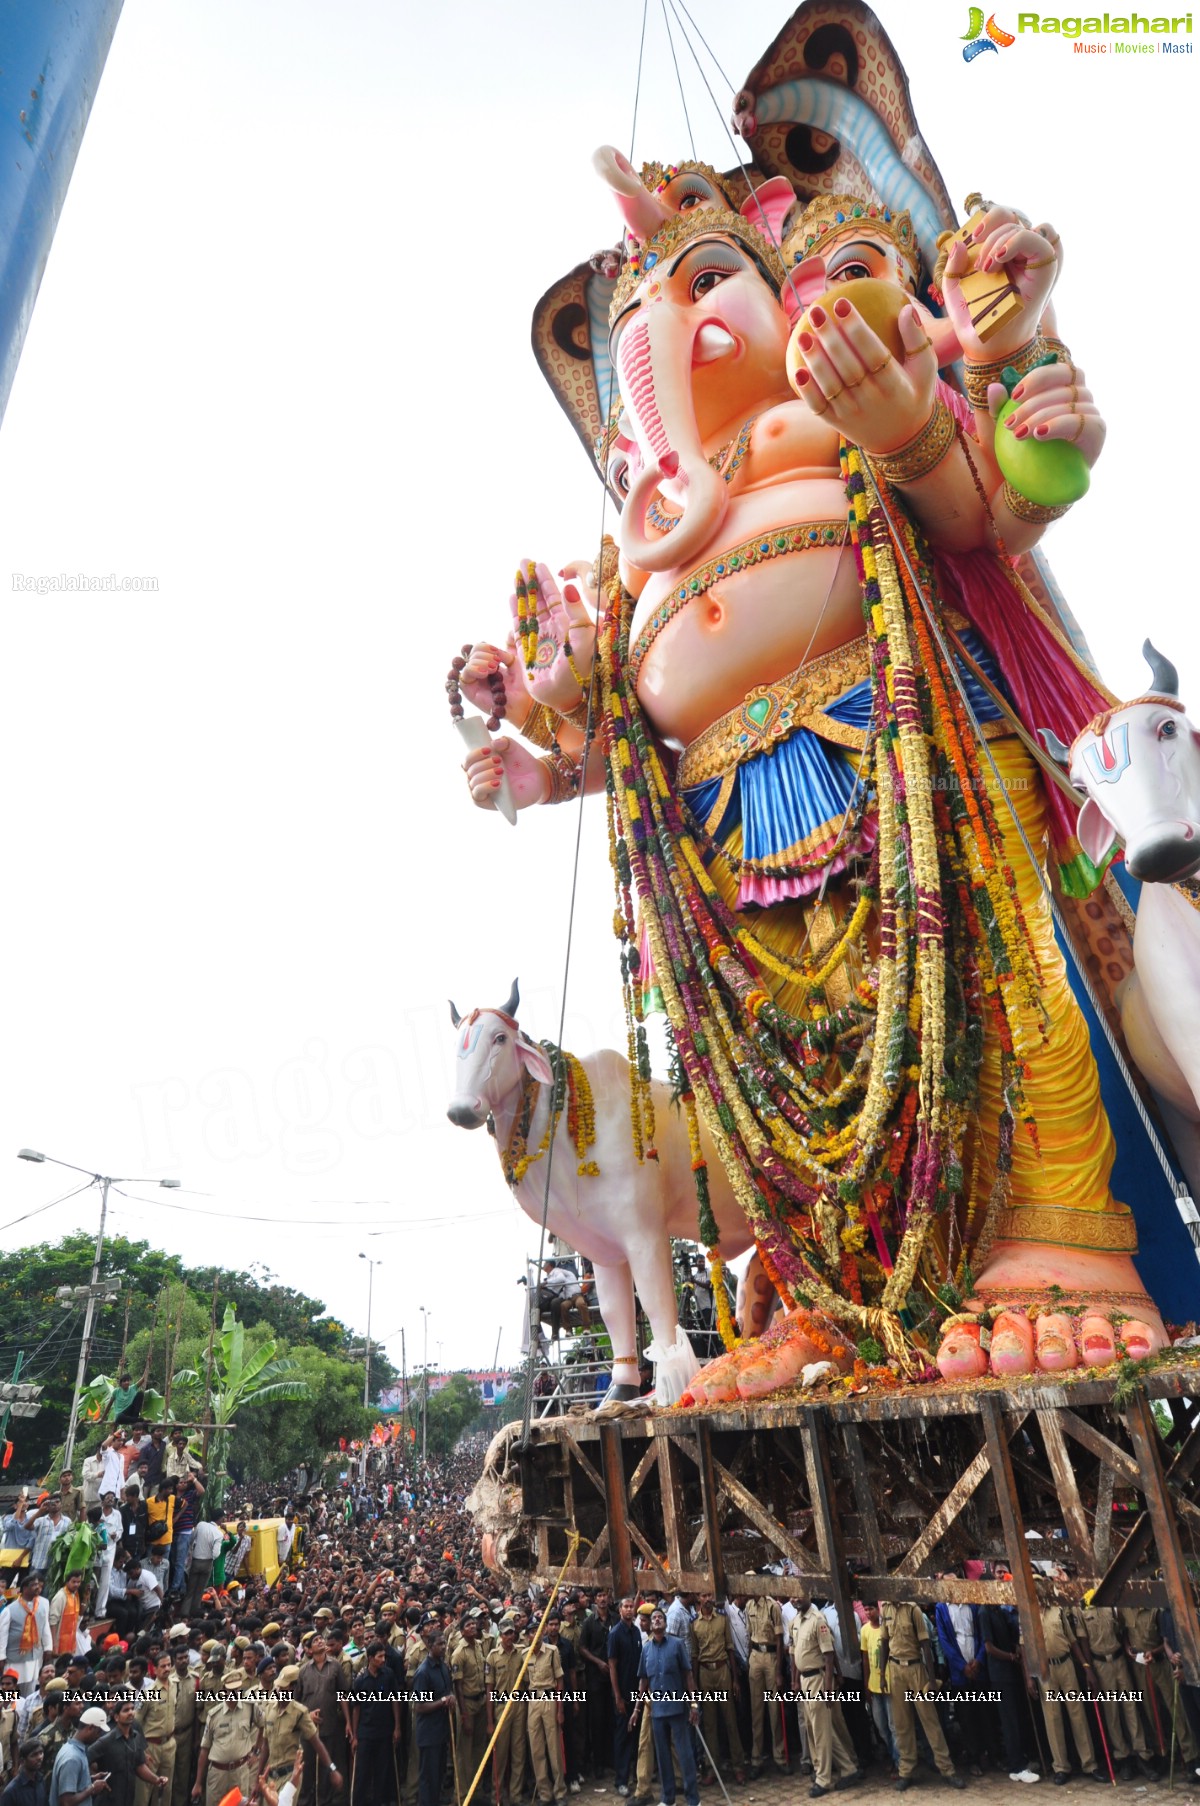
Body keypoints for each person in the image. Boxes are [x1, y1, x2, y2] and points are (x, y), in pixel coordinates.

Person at [879, 1601, 964, 1791]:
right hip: (895, 1670)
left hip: (916, 1668)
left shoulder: (913, 1610)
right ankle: (906, 1771)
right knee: (902, 1724)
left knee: (930, 1721)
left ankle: (947, 1769)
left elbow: (926, 1644)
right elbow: (884, 1642)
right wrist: (882, 1675)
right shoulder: (885, 1610)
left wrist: (932, 1681)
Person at [788, 1590, 859, 1801]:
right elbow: (796, 1655)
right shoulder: (797, 1621)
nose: (795, 1599)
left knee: (820, 1733)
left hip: (818, 1680)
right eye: (792, 1596)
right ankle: (848, 1768)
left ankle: (823, 1779)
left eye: (799, 1595)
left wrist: (828, 1689)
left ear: (809, 1595)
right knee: (818, 1731)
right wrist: (795, 1681)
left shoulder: (818, 1620)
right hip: (805, 1681)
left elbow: (829, 1657)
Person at [1075, 1603, 1157, 1783]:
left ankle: (1143, 1756)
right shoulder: (1080, 1608)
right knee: (1111, 1713)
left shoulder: (1109, 1603)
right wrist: (1089, 1670)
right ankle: (1123, 1757)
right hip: (1100, 1665)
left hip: (1119, 1660)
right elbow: (1084, 1641)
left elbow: (1122, 1630)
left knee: (1131, 1708)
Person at [1027, 1603, 1103, 1786]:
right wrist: (1028, 1677)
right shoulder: (1027, 1613)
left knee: (1077, 1714)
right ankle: (1061, 1767)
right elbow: (1024, 1646)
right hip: (1045, 1669)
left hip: (1065, 1664)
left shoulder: (1058, 1610)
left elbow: (1072, 1640)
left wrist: (1086, 1667)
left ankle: (1090, 1764)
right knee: (1053, 1718)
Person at [631, 1611, 698, 1806]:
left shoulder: (677, 1645)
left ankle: (693, 1799)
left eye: (660, 1617)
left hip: (677, 1709)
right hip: (657, 1712)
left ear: (665, 1623)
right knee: (663, 1758)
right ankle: (668, 1799)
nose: (657, 1620)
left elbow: (688, 1676)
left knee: (685, 1755)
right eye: (654, 1619)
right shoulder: (646, 1649)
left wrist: (694, 1705)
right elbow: (643, 1681)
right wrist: (636, 1709)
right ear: (650, 1625)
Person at [688, 1597, 744, 1785]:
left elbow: (730, 1649)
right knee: (710, 1723)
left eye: (708, 1595)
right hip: (705, 1674)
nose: (706, 1600)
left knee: (730, 1720)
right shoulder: (693, 1623)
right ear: (698, 1599)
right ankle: (712, 1768)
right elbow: (694, 1655)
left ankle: (738, 1766)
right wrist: (694, 1684)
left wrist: (735, 1679)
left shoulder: (722, 1619)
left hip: (722, 1672)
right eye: (702, 1596)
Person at [934, 1599, 988, 1777]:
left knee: (982, 1712)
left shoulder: (972, 1604)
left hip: (977, 1667)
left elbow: (981, 1635)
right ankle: (973, 1758)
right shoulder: (941, 1608)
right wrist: (961, 1666)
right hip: (959, 1673)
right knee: (966, 1716)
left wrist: (979, 1660)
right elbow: (944, 1641)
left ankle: (986, 1753)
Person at [348, 1641, 401, 1806]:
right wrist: (355, 1736)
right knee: (362, 1774)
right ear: (370, 1658)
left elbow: (394, 1700)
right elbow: (356, 1709)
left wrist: (397, 1727)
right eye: (379, 1656)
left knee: (382, 1772)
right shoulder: (360, 1680)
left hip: (384, 1732)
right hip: (365, 1733)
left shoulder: (389, 1674)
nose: (383, 1659)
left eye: (384, 1655)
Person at [90, 1700, 168, 1806]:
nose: (131, 1712)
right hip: (108, 1800)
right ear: (116, 1717)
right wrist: (94, 1780)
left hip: (128, 1798)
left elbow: (139, 1766)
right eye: (126, 1710)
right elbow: (84, 1760)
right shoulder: (106, 1741)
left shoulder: (135, 1737)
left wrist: (157, 1780)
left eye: (132, 1708)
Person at [743, 1594, 785, 1777]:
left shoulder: (772, 1606)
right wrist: (748, 1660)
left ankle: (780, 1756)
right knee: (756, 1710)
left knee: (775, 1709)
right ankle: (756, 1758)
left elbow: (779, 1640)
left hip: (770, 1658)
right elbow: (748, 1635)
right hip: (755, 1656)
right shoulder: (748, 1606)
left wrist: (778, 1671)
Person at [485, 1622, 527, 1806]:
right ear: (500, 1636)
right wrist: (489, 1721)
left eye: (512, 1633)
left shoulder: (521, 1653)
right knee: (500, 1756)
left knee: (519, 1753)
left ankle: (516, 1796)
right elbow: (489, 1690)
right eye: (507, 1634)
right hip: (501, 1706)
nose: (510, 1637)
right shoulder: (493, 1657)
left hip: (519, 1705)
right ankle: (498, 1797)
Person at [411, 1630, 454, 1806]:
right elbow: (419, 1706)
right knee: (428, 1777)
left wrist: (449, 1698)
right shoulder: (423, 1672)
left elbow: (446, 1691)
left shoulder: (443, 1666)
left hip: (441, 1730)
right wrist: (442, 1702)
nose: (444, 1647)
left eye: (444, 1643)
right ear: (430, 1645)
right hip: (429, 1733)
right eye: (440, 1644)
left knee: (438, 1775)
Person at [607, 1597, 642, 1797]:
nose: (629, 1610)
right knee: (622, 1737)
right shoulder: (615, 1634)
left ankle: (637, 1776)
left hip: (637, 1693)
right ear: (620, 1610)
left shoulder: (637, 1631)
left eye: (631, 1606)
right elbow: (612, 1666)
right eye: (626, 1607)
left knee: (637, 1737)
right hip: (623, 1695)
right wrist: (617, 1697)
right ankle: (621, 1780)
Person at [577, 1595, 613, 1781]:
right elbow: (582, 1648)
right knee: (597, 1720)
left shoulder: (614, 1618)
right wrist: (598, 1662)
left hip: (613, 1678)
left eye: (604, 1596)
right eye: (599, 1596)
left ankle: (610, 1759)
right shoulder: (589, 1622)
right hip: (595, 1678)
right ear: (595, 1600)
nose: (602, 1599)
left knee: (612, 1717)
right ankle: (598, 1763)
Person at [48, 1707, 110, 1806]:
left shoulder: (74, 1749)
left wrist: (89, 1779)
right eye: (98, 1732)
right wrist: (93, 1788)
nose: (99, 1736)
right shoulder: (72, 1758)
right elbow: (67, 1802)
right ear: (90, 1728)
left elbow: (73, 1783)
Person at [0, 1581, 51, 1697]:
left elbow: (45, 1627)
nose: (37, 1587)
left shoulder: (42, 1605)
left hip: (34, 1657)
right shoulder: (10, 1609)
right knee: (11, 1692)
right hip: (14, 1658)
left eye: (38, 1585)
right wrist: (1, 1657)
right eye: (33, 1585)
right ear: (25, 1588)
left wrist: (48, 1648)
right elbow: (2, 1635)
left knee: (30, 1691)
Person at [47, 1578, 83, 1661]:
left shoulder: (75, 1595)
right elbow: (53, 1621)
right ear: (67, 1582)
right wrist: (54, 1645)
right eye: (73, 1582)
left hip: (70, 1645)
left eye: (78, 1582)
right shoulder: (60, 1597)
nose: (76, 1584)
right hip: (59, 1645)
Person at [2, 1740, 47, 1806]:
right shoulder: (11, 1791)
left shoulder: (41, 1780)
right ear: (22, 1761)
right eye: (34, 1755)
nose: (39, 1757)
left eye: (41, 1753)